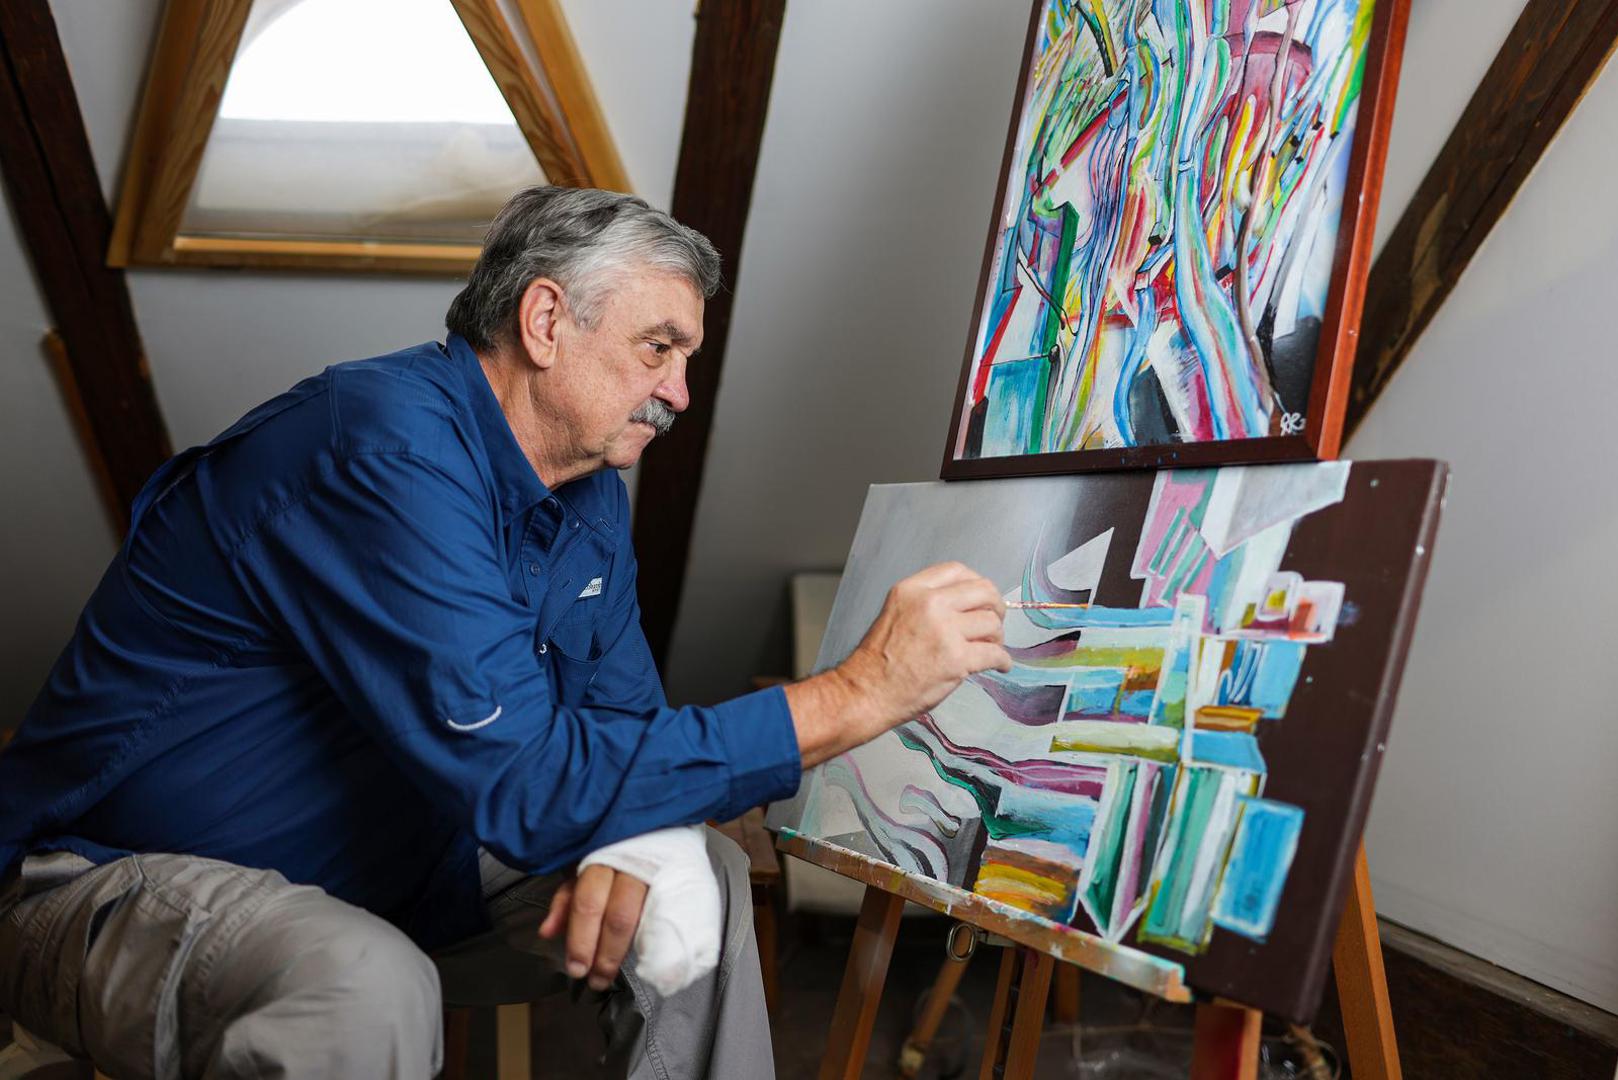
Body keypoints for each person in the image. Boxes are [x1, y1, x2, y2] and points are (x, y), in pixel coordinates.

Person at [0, 187, 1010, 1079]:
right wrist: (857, 693)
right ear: (545, 321)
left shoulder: (588, 494)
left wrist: (633, 829)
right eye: (658, 348)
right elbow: (532, 785)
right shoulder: (383, 448)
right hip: (104, 886)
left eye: (687, 359)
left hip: (398, 878)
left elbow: (621, 731)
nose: (679, 393)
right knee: (367, 982)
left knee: (688, 876)